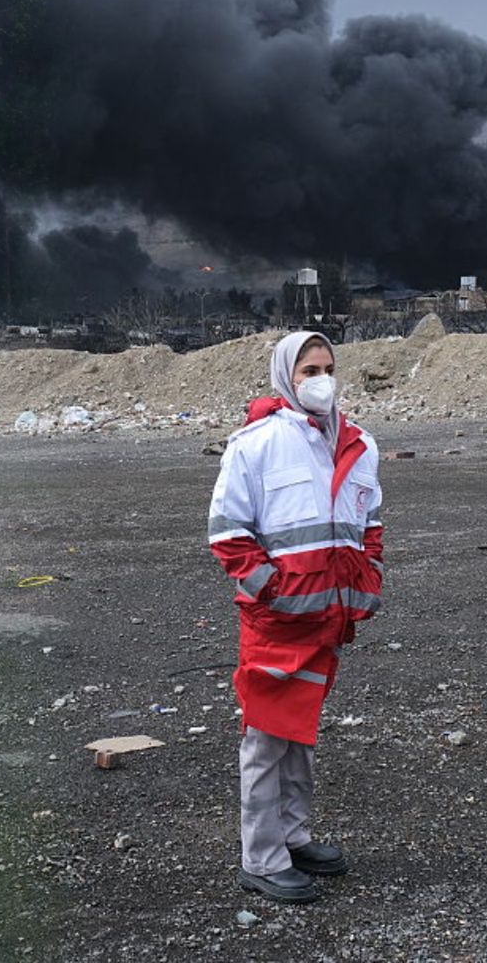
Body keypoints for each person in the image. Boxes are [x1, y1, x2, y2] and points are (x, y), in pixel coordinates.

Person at [206, 331, 384, 904]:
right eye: (308, 369)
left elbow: (369, 524)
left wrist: (366, 581)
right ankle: (260, 857)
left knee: (299, 736)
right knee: (264, 738)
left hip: (328, 621)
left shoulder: (359, 444)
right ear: (286, 375)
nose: (320, 379)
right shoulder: (255, 444)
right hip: (277, 624)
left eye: (328, 367)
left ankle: (293, 837)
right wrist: (273, 593)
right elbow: (228, 534)